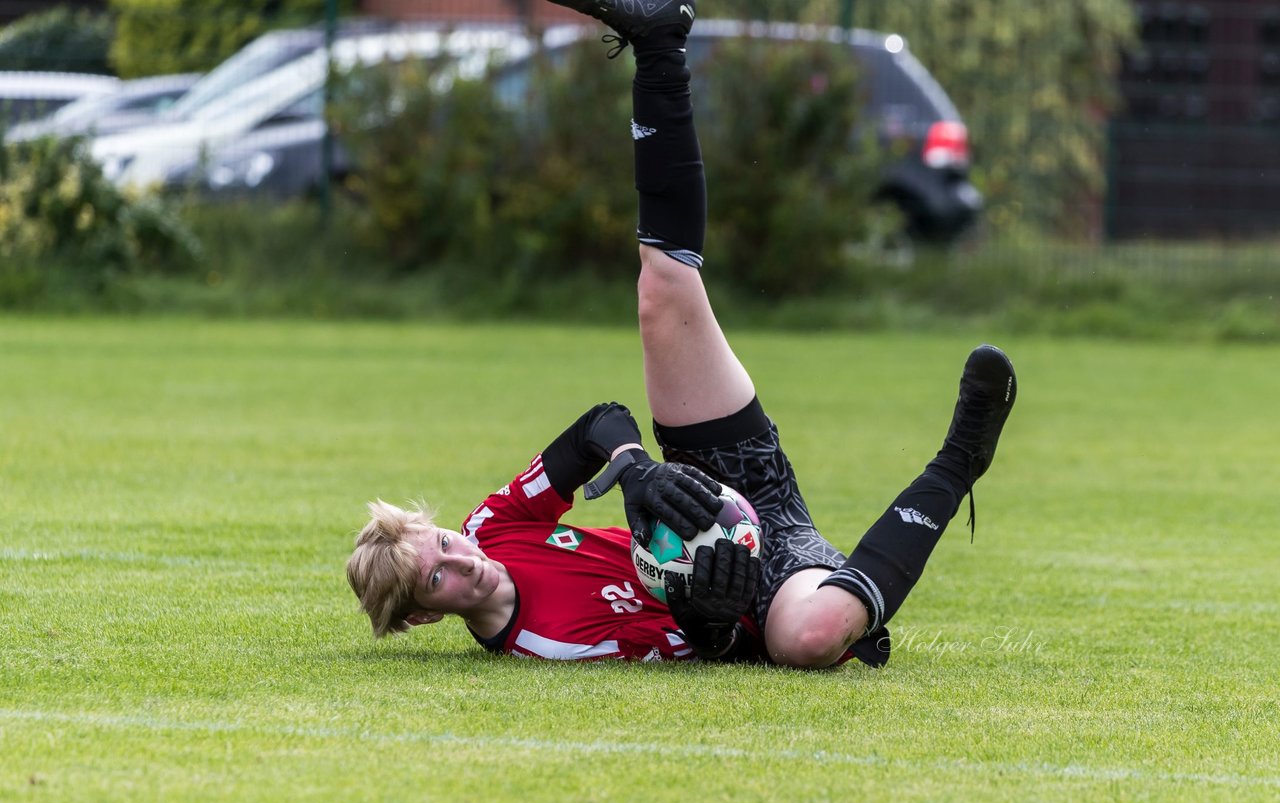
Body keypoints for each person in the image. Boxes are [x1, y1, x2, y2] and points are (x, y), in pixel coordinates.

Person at [344, 0, 1017, 668]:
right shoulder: (545, 645)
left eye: (442, 543)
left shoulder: (492, 528)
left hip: (714, 485)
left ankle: (661, 44)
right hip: (765, 584)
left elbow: (596, 427)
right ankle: (960, 459)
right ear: (429, 612)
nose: (465, 560)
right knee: (807, 639)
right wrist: (711, 625)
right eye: (439, 578)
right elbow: (697, 656)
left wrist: (634, 469)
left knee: (661, 292)